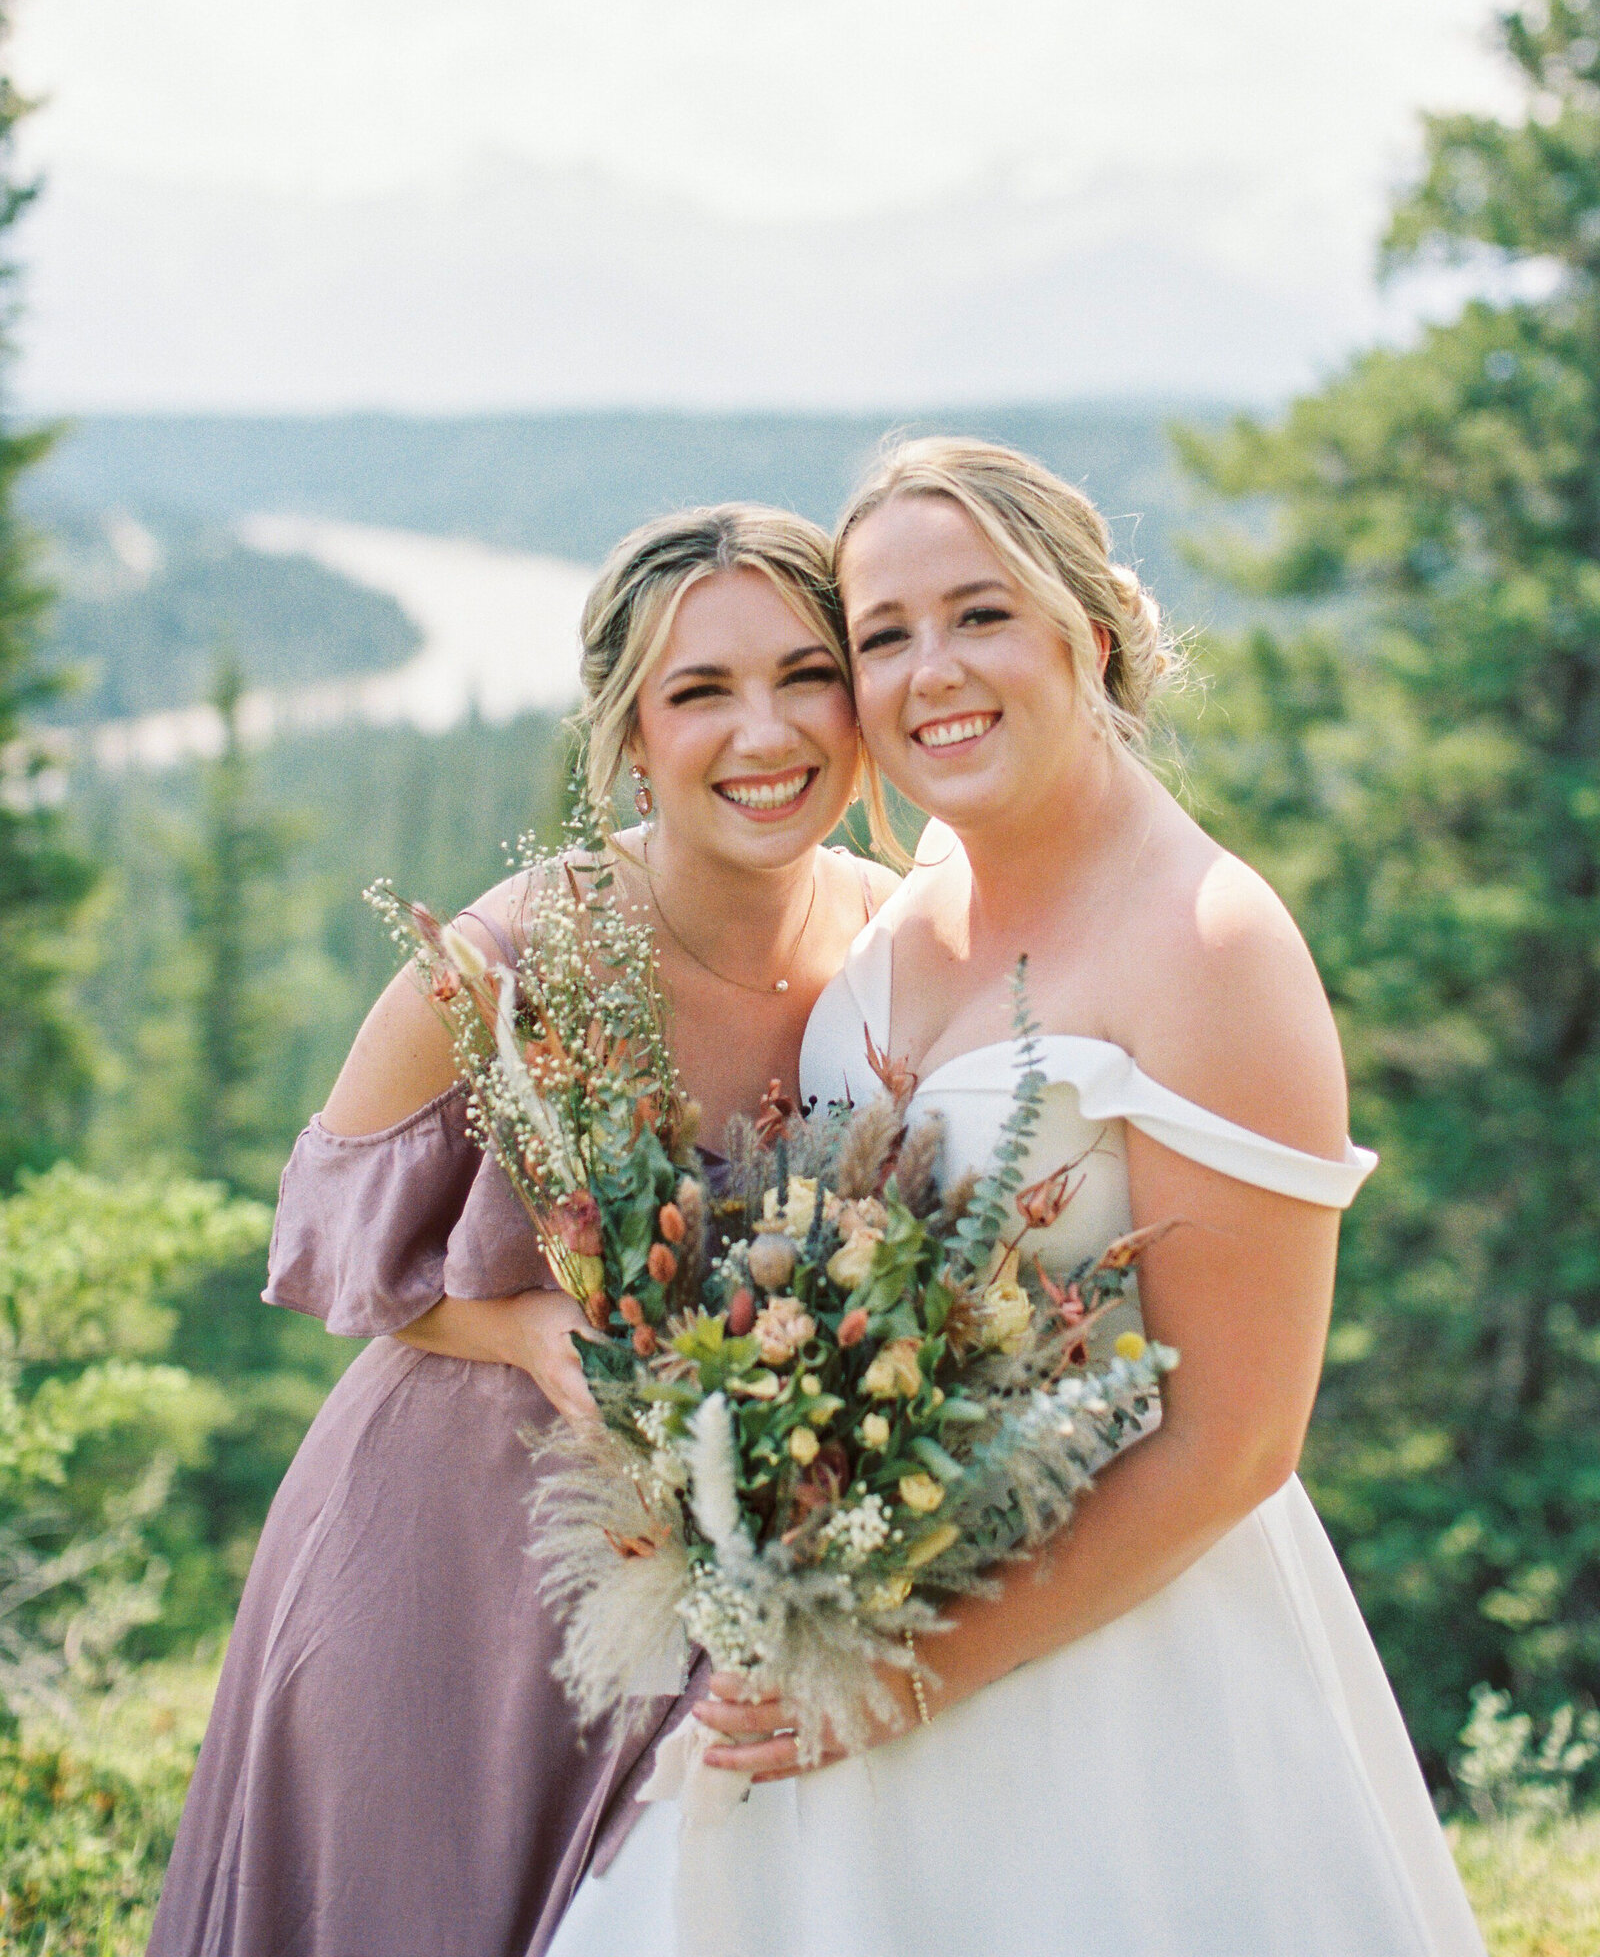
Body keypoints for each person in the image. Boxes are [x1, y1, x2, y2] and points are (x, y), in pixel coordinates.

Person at [551, 439, 1486, 1957]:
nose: (932, 674)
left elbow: (1238, 1442)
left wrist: (921, 1678)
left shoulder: (1212, 943)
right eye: (885, 637)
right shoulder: (916, 890)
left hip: (1116, 1671)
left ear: (1088, 632)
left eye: (979, 615)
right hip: (852, 1619)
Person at [148, 503, 896, 1957]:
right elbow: (321, 1240)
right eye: (700, 692)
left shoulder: (900, 937)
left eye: (807, 674)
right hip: (447, 1557)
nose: (767, 731)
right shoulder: (511, 954)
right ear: (624, 737)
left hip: (740, 1576)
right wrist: (519, 1326)